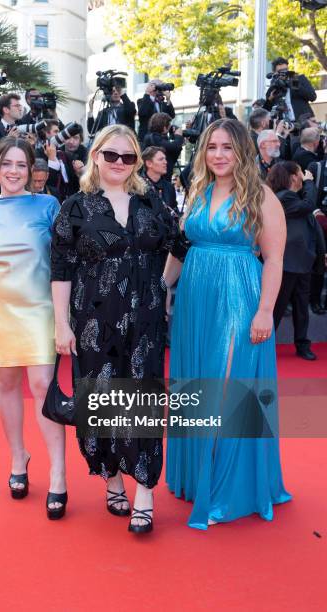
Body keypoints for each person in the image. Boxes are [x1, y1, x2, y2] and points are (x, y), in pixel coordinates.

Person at [51, 124, 184, 533]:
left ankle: (144, 489)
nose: (120, 164)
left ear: (137, 162)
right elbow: (61, 268)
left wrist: (163, 288)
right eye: (112, 155)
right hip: (94, 322)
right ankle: (112, 479)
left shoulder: (151, 203)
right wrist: (61, 325)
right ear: (96, 156)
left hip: (144, 323)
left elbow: (178, 245)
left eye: (129, 157)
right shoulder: (75, 207)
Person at [163, 118, 292, 529]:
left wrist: (265, 310)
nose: (218, 155)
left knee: (227, 386)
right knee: (197, 383)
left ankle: (227, 488)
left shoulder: (262, 195)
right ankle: (195, 477)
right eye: (212, 147)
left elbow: (274, 258)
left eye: (227, 148)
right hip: (195, 299)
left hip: (240, 296)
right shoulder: (197, 191)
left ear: (243, 152)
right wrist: (161, 286)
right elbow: (182, 248)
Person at [0, 137, 64, 517]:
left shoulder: (49, 205)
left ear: (33, 169)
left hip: (39, 308)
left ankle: (58, 473)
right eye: (8, 164)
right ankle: (18, 458)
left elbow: (66, 259)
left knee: (41, 385)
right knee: (6, 385)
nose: (15, 172)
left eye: (22, 165)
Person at [267, 161, 318, 360]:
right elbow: (309, 205)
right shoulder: (284, 197)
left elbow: (309, 224)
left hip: (302, 261)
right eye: (300, 173)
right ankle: (265, 343)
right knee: (278, 306)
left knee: (301, 306)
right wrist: (310, 184)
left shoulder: (292, 199)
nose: (302, 177)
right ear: (292, 177)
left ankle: (302, 344)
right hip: (287, 262)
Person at [264, 57, 317, 121]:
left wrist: (293, 84)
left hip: (304, 121)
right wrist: (271, 96)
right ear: (274, 73)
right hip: (284, 125)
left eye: (286, 70)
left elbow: (312, 97)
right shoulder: (274, 86)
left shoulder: (299, 79)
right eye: (280, 71)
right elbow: (266, 108)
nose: (284, 73)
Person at [142, 112, 184, 181]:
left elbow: (172, 157)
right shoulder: (153, 138)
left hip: (163, 179)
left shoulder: (158, 138)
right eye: (169, 125)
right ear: (164, 128)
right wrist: (178, 137)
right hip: (157, 181)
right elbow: (174, 147)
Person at [141, 146, 177, 211]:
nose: (165, 162)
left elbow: (174, 210)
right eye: (161, 159)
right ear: (149, 163)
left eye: (165, 159)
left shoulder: (169, 187)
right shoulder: (137, 186)